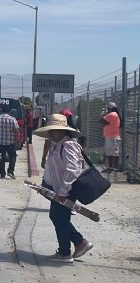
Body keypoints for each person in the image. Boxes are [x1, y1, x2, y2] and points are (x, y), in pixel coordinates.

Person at [35, 113, 93, 263]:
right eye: (50, 130)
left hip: (64, 190)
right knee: (58, 217)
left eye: (54, 130)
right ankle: (79, 243)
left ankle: (65, 252)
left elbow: (72, 170)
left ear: (62, 131)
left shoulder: (68, 146)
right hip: (58, 189)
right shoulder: (59, 145)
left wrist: (63, 192)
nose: (51, 133)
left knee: (59, 218)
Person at [0, 105, 20, 179]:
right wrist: (17, 141)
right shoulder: (12, 119)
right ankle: (10, 171)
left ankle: (2, 174)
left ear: (1, 110)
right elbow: (16, 131)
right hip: (10, 142)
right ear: (9, 111)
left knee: (1, 158)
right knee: (13, 156)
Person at [101, 101, 121, 173]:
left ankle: (114, 168)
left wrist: (104, 115)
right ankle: (111, 167)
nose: (107, 109)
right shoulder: (113, 114)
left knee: (114, 152)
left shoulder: (112, 114)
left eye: (108, 108)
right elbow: (105, 122)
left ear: (110, 108)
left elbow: (102, 120)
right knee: (110, 152)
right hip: (110, 136)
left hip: (113, 137)